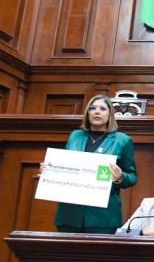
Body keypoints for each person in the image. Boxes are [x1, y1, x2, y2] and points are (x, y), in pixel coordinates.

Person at [52, 94, 138, 234]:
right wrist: (51, 169)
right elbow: (65, 166)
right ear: (88, 113)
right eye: (92, 108)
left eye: (102, 108)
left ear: (110, 114)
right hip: (69, 214)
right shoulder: (75, 136)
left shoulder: (122, 140)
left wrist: (120, 177)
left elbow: (133, 176)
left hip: (103, 217)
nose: (97, 111)